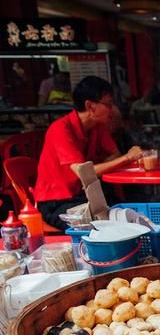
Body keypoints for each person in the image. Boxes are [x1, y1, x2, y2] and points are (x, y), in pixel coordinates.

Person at [34, 76, 143, 230]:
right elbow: (83, 173)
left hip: (85, 196)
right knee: (106, 225)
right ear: (90, 106)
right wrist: (127, 158)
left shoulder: (97, 126)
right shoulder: (60, 129)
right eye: (109, 104)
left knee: (127, 213)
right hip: (58, 202)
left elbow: (114, 154)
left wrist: (111, 162)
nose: (112, 110)